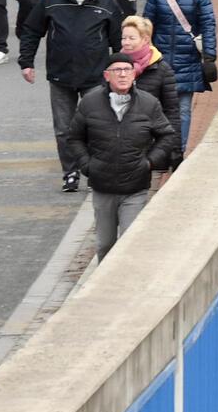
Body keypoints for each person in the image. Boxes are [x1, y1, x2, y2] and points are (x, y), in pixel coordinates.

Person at [21, 0, 126, 192]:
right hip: (61, 76)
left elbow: (118, 40)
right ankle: (70, 172)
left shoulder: (105, 2)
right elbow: (32, 30)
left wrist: (121, 71)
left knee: (98, 126)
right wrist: (26, 62)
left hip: (95, 76)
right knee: (64, 129)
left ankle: (96, 170)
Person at [67, 52, 177, 260]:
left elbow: (166, 135)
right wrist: (87, 165)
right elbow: (74, 137)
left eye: (127, 70)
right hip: (103, 188)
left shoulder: (148, 103)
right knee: (105, 244)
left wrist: (149, 162)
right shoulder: (90, 103)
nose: (123, 75)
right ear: (107, 76)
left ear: (134, 74)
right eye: (117, 70)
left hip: (135, 187)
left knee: (129, 244)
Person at [143, 0, 216, 146]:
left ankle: (179, 149)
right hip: (161, 62)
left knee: (183, 109)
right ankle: (162, 150)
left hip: (188, 60)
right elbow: (146, 26)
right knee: (159, 110)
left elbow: (208, 24)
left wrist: (209, 57)